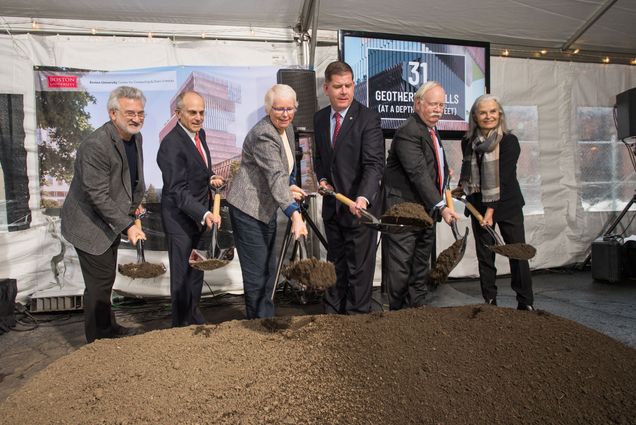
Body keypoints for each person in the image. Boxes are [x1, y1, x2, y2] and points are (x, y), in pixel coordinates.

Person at [61, 86, 147, 343]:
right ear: (113, 114)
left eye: (141, 113)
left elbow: (128, 178)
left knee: (106, 278)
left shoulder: (135, 137)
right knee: (99, 284)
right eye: (130, 113)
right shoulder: (95, 145)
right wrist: (128, 225)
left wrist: (134, 206)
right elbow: (96, 195)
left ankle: (108, 328)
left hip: (109, 220)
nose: (136, 118)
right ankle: (98, 344)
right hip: (88, 223)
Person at [226, 84, 308, 319]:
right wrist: (294, 214)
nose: (285, 114)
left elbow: (285, 169)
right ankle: (259, 327)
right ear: (268, 109)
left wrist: (290, 184)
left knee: (268, 269)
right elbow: (274, 175)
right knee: (257, 272)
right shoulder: (263, 134)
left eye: (289, 108)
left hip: (266, 206)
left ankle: (265, 319)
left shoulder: (288, 129)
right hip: (248, 209)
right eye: (279, 108)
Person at [382, 81, 462, 310]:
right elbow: (417, 173)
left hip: (425, 211)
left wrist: (444, 172)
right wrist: (441, 206)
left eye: (442, 105)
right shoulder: (408, 131)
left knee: (420, 266)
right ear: (418, 104)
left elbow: (431, 165)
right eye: (433, 104)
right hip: (404, 213)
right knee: (401, 267)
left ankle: (416, 313)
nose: (439, 109)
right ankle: (398, 316)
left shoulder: (431, 130)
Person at [313, 61, 385, 314]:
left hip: (359, 210)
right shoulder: (320, 118)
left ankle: (357, 322)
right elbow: (320, 159)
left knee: (359, 270)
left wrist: (363, 198)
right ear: (326, 88)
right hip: (333, 209)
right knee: (335, 265)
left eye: (348, 85)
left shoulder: (367, 118)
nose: (344, 91)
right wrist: (321, 179)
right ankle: (332, 316)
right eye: (338, 86)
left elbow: (375, 164)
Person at [457, 94, 534, 310]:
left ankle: (525, 302)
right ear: (475, 116)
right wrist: (462, 189)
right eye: (483, 112)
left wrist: (491, 211)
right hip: (478, 207)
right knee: (485, 256)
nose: (488, 116)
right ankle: (490, 301)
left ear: (499, 114)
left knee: (517, 254)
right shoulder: (468, 142)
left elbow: (504, 178)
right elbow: (470, 175)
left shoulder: (509, 141)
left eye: (492, 111)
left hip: (507, 206)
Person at [157, 91, 223, 327]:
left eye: (202, 112)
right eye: (192, 112)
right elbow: (176, 189)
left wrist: (211, 176)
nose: (198, 117)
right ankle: (181, 328)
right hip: (180, 219)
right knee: (183, 276)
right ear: (178, 114)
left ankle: (193, 317)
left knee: (197, 270)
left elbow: (201, 169)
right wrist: (204, 214)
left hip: (199, 216)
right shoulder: (170, 145)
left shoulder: (199, 134)